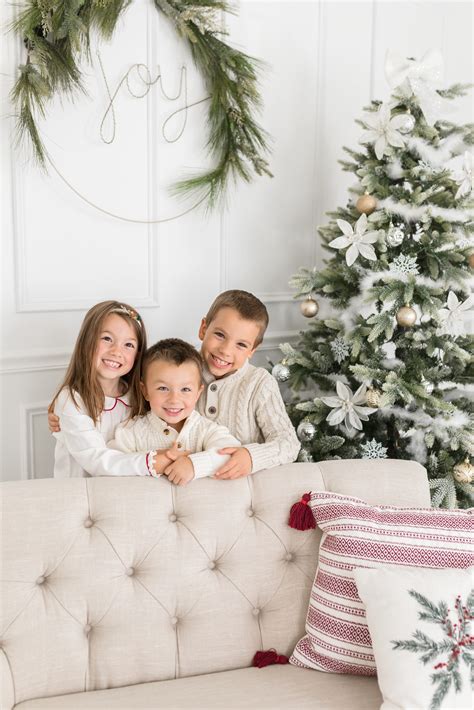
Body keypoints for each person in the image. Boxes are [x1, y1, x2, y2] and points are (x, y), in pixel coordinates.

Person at [49, 300, 173, 478]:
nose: (116, 351)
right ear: (87, 342)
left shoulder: (139, 396)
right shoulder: (72, 399)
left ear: (137, 354)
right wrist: (151, 462)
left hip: (119, 495)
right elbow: (97, 460)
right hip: (79, 496)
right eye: (107, 339)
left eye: (128, 344)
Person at [196, 289, 300, 479]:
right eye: (220, 335)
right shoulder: (183, 370)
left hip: (241, 489)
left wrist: (251, 457)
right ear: (203, 329)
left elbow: (289, 443)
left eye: (241, 345)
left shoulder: (259, 383)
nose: (225, 350)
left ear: (253, 349)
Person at [111, 338, 240, 486]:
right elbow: (113, 464)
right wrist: (155, 462)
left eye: (185, 389)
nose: (174, 399)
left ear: (198, 393)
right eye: (163, 388)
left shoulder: (206, 430)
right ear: (145, 391)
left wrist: (193, 464)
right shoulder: (131, 432)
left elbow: (231, 454)